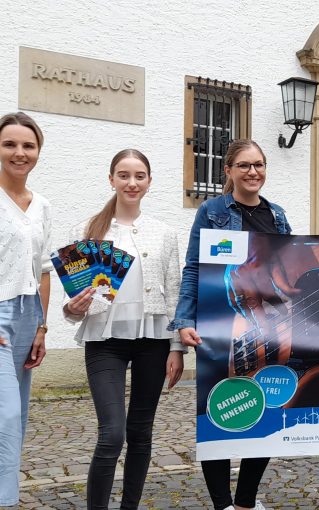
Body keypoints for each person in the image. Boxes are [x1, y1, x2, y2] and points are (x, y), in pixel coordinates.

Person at [169, 139, 291, 510]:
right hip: (220, 326)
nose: (253, 172)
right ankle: (222, 504)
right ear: (229, 171)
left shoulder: (278, 216)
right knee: (218, 413)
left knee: (268, 410)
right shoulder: (212, 212)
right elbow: (195, 269)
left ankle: (245, 503)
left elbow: (286, 270)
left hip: (271, 325)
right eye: (244, 165)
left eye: (258, 165)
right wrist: (184, 321)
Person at [61, 149, 185, 509]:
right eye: (124, 175)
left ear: (149, 182)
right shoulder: (85, 231)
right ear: (111, 179)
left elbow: (175, 290)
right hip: (105, 341)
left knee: (140, 432)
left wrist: (177, 346)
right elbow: (72, 305)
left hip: (153, 341)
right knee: (112, 434)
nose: (132, 182)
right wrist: (71, 309)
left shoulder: (164, 233)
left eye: (139, 175)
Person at [0, 112, 50, 508]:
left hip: (29, 314)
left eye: (28, 145)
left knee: (17, 415)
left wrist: (42, 328)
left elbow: (44, 270)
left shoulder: (42, 205)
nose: (20, 153)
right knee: (6, 416)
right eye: (10, 144)